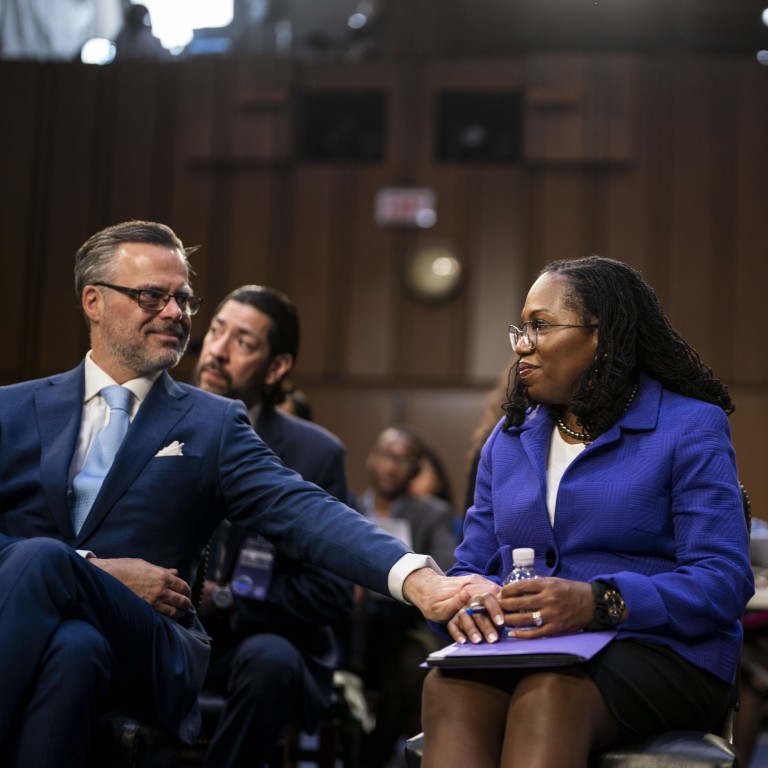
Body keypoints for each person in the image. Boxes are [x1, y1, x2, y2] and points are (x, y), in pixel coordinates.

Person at [0, 220, 492, 767]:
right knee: (73, 650)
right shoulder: (12, 410)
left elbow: (301, 509)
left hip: (148, 643)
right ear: (93, 300)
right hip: (50, 635)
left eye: (184, 299)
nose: (176, 313)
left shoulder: (212, 423)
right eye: (152, 296)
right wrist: (95, 570)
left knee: (43, 557)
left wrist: (419, 580)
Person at [419, 255, 753, 768]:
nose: (521, 345)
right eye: (521, 329)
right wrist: (469, 605)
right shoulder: (506, 442)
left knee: (551, 691)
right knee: (448, 685)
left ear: (602, 336)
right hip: (526, 647)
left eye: (540, 326)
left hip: (660, 650)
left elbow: (723, 580)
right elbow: (472, 567)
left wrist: (602, 601)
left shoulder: (689, 427)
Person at [192, 284, 354, 767]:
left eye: (242, 342)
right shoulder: (155, 428)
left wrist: (225, 598)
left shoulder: (314, 454)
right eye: (216, 331)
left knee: (268, 660)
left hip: (259, 646)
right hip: (167, 634)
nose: (217, 351)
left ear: (277, 367)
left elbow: (331, 593)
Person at [354, 425, 458, 768]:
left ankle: (370, 757)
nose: (389, 466)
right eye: (384, 455)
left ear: (415, 469)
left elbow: (448, 568)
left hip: (403, 623)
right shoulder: (347, 507)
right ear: (370, 458)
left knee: (412, 661)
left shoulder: (431, 513)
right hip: (350, 622)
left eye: (400, 460)